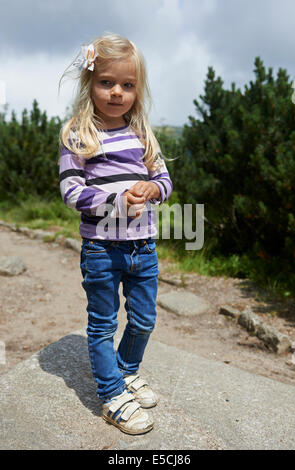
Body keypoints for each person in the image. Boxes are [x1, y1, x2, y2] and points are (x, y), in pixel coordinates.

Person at [59, 33, 173, 435]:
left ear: (137, 89)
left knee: (143, 320)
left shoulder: (142, 133)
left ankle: (126, 371)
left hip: (144, 247)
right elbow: (72, 192)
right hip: (101, 250)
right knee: (103, 324)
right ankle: (111, 395)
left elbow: (164, 179)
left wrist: (153, 189)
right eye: (106, 82)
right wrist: (118, 202)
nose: (117, 92)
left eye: (127, 84)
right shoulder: (79, 135)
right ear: (89, 84)